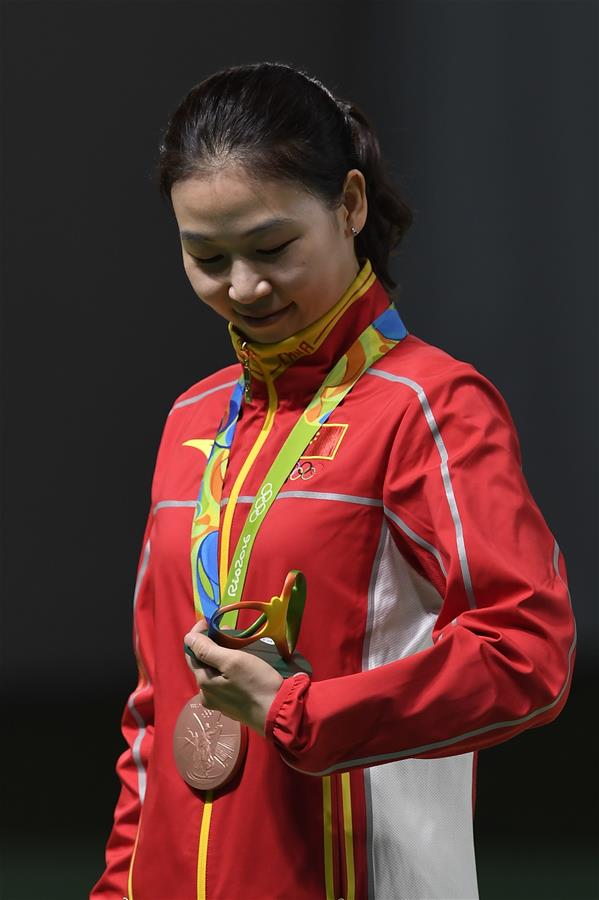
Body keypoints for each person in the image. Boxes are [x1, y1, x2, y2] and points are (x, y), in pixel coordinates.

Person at [91, 61, 576, 900]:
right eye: (205, 256)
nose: (242, 287)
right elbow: (153, 708)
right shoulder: (190, 421)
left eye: (272, 247)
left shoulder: (429, 406)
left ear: (350, 205)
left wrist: (303, 713)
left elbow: (526, 652)